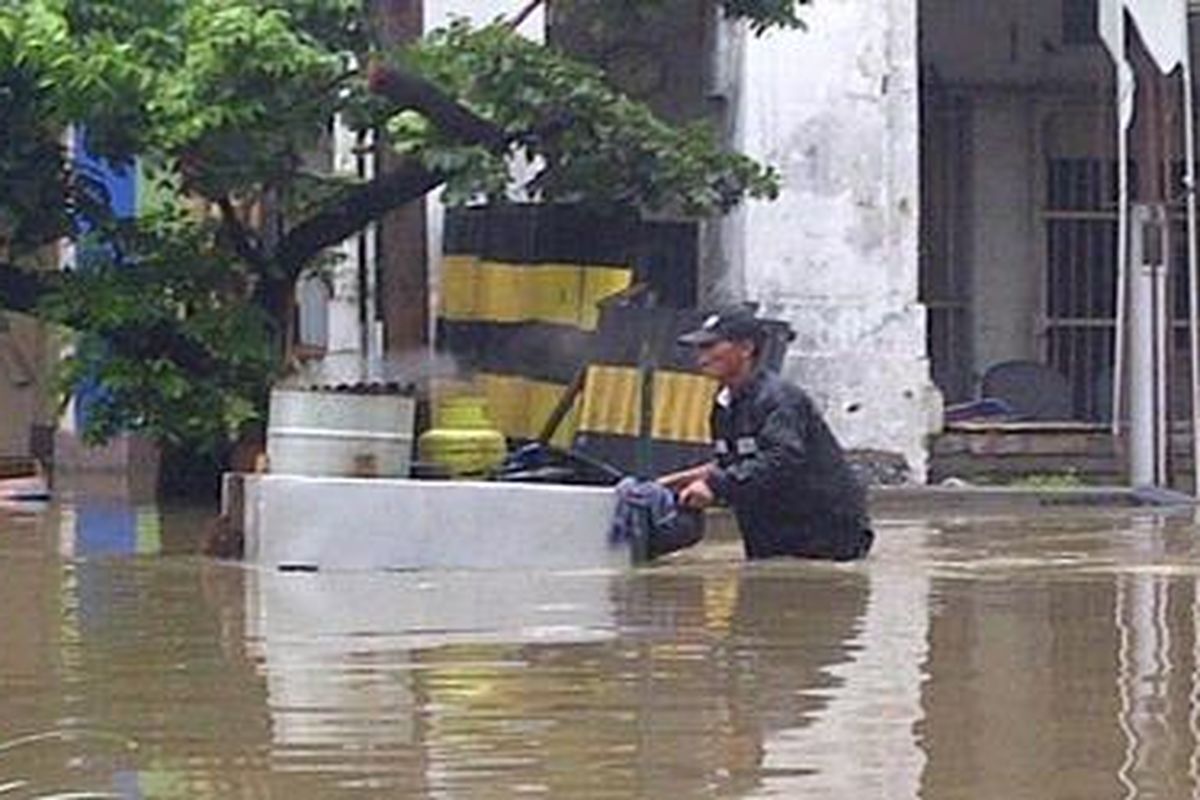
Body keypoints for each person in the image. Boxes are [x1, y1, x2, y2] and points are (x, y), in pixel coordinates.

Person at [659, 306, 874, 561]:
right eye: (699, 348)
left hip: (822, 532)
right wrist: (669, 483)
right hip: (771, 532)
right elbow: (733, 461)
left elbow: (782, 458)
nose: (701, 357)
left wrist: (715, 486)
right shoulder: (724, 403)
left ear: (746, 349)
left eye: (710, 346)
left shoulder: (779, 399)